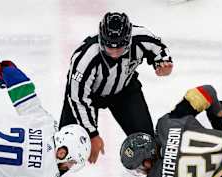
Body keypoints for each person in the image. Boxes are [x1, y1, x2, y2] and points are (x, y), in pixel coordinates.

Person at [60, 12, 173, 164]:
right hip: (89, 97)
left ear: (128, 39)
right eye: (108, 47)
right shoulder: (84, 59)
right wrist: (92, 134)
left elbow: (159, 49)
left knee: (147, 147)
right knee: (66, 148)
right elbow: (78, 99)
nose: (113, 53)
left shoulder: (141, 38)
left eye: (119, 48)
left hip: (124, 92)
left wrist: (163, 63)